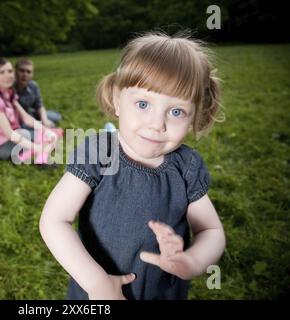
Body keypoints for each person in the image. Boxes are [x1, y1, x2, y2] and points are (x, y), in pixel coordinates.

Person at [39, 32, 226, 300]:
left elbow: (211, 230)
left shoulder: (187, 167)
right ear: (117, 100)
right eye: (142, 104)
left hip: (162, 292)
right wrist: (97, 283)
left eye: (176, 112)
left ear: (195, 115)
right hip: (98, 291)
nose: (157, 124)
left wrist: (193, 261)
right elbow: (54, 220)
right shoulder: (99, 152)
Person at [0, 57, 57, 162]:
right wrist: (37, 148)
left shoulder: (9, 92)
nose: (7, 76)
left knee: (39, 135)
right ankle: (31, 155)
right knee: (33, 140)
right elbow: (10, 134)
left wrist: (46, 130)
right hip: (2, 146)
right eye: (2, 72)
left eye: (9, 71)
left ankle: (33, 152)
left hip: (16, 135)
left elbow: (26, 118)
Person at [14, 58, 62, 130]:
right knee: (27, 128)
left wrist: (44, 120)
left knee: (57, 117)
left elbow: (39, 105)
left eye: (28, 72)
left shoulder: (33, 86)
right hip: (17, 119)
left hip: (30, 113)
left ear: (32, 75)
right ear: (15, 72)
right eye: (21, 71)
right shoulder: (9, 88)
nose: (25, 74)